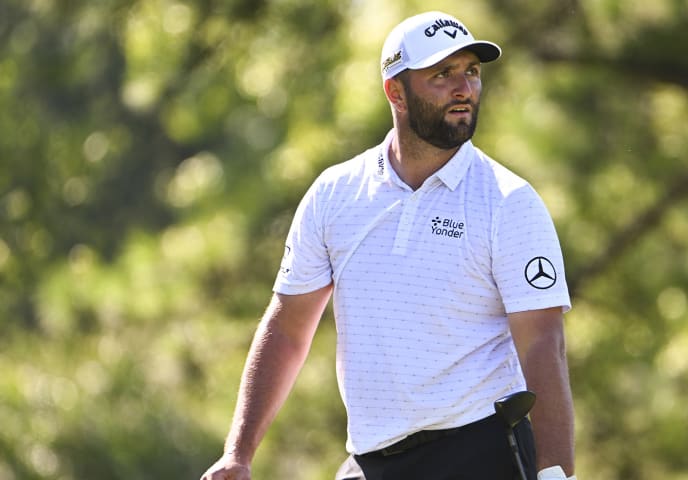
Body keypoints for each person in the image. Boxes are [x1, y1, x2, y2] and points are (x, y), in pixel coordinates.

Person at [200, 10, 577, 480]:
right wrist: (239, 452)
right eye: (442, 74)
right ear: (395, 92)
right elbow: (289, 329)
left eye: (472, 72)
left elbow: (543, 343)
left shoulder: (508, 201)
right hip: (372, 458)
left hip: (479, 449)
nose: (464, 88)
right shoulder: (336, 194)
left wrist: (556, 473)